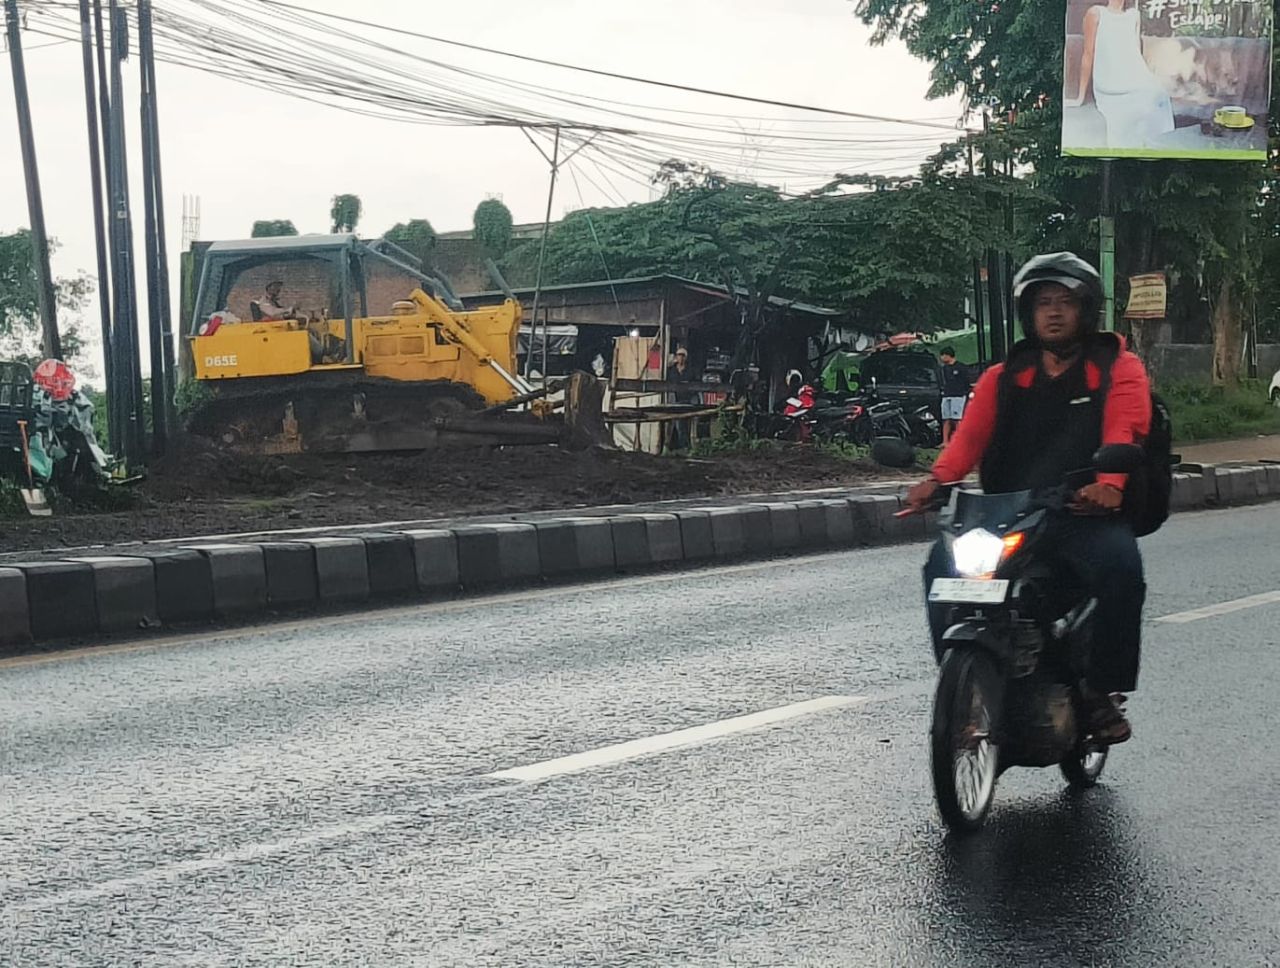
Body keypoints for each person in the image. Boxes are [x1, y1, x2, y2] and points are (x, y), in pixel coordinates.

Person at [906, 252, 1152, 744]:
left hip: (1082, 512)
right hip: (1009, 514)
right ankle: (965, 689)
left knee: (1123, 570)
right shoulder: (1004, 375)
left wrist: (1110, 485)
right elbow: (968, 439)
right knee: (940, 566)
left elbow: (1125, 424)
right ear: (1028, 313)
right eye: (1043, 303)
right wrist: (937, 480)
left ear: (1086, 310)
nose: (1054, 312)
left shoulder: (1116, 367)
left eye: (1065, 302)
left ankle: (1100, 693)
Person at [1065, 0, 1174, 149]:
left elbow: (1135, 52)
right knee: (1138, 102)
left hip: (1131, 74)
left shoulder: (1134, 15)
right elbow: (1088, 53)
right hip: (1109, 79)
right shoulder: (1096, 13)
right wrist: (1080, 97)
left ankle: (1154, 148)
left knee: (1159, 94)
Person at [668, 346, 700, 451]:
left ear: (686, 357)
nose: (681, 358)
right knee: (677, 423)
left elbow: (696, 384)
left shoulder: (691, 370)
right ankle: (680, 445)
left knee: (688, 423)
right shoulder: (671, 370)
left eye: (683, 355)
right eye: (679, 355)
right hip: (676, 399)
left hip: (688, 399)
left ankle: (687, 445)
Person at [938, 347, 970, 446]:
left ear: (948, 355)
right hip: (947, 395)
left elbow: (966, 381)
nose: (941, 358)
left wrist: (964, 392)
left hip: (958, 395)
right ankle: (945, 441)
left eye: (943, 355)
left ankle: (960, 440)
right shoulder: (944, 369)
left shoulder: (961, 367)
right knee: (946, 419)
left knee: (957, 419)